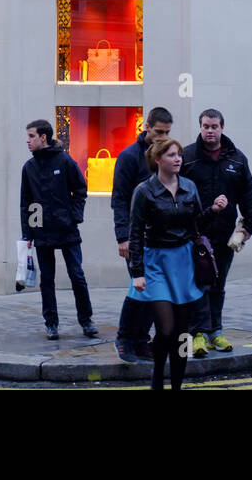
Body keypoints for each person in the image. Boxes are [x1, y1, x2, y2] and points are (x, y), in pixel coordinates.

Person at [127, 138, 211, 390]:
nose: (178, 159)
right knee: (166, 328)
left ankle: (176, 385)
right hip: (156, 262)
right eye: (171, 155)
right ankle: (156, 380)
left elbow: (196, 224)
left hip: (184, 261)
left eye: (179, 155)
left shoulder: (189, 187)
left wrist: (214, 211)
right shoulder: (144, 191)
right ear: (158, 160)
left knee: (182, 332)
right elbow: (135, 233)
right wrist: (137, 273)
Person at [181, 109, 252, 355]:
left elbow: (248, 195)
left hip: (225, 236)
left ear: (222, 127)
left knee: (218, 284)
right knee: (199, 284)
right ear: (200, 127)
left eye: (214, 126)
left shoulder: (237, 159)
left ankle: (216, 332)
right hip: (195, 234)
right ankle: (199, 334)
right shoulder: (188, 156)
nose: (210, 131)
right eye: (205, 126)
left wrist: (249, 226)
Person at [19, 119, 97, 339]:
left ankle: (87, 321)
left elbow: (81, 189)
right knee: (47, 279)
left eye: (32, 136)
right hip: (42, 231)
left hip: (67, 230)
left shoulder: (64, 161)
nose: (28, 140)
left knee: (77, 275)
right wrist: (28, 233)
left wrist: (75, 216)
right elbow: (26, 203)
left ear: (43, 137)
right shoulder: (29, 168)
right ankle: (51, 323)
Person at [111, 107, 173, 363]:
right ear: (146, 126)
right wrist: (122, 237)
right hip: (136, 239)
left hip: (162, 239)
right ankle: (125, 339)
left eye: (167, 132)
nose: (162, 137)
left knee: (154, 292)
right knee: (140, 289)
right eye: (158, 131)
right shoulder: (129, 157)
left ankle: (139, 339)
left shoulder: (166, 157)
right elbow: (119, 199)